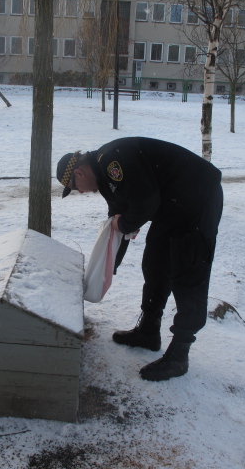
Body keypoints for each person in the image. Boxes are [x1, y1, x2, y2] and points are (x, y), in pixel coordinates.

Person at [57, 137, 223, 382]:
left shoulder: (112, 160)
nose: (81, 192)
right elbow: (119, 215)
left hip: (197, 200)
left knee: (189, 275)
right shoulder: (104, 175)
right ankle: (148, 331)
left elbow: (144, 204)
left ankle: (180, 353)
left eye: (75, 187)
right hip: (171, 205)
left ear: (79, 173)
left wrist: (124, 224)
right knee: (155, 264)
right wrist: (108, 264)